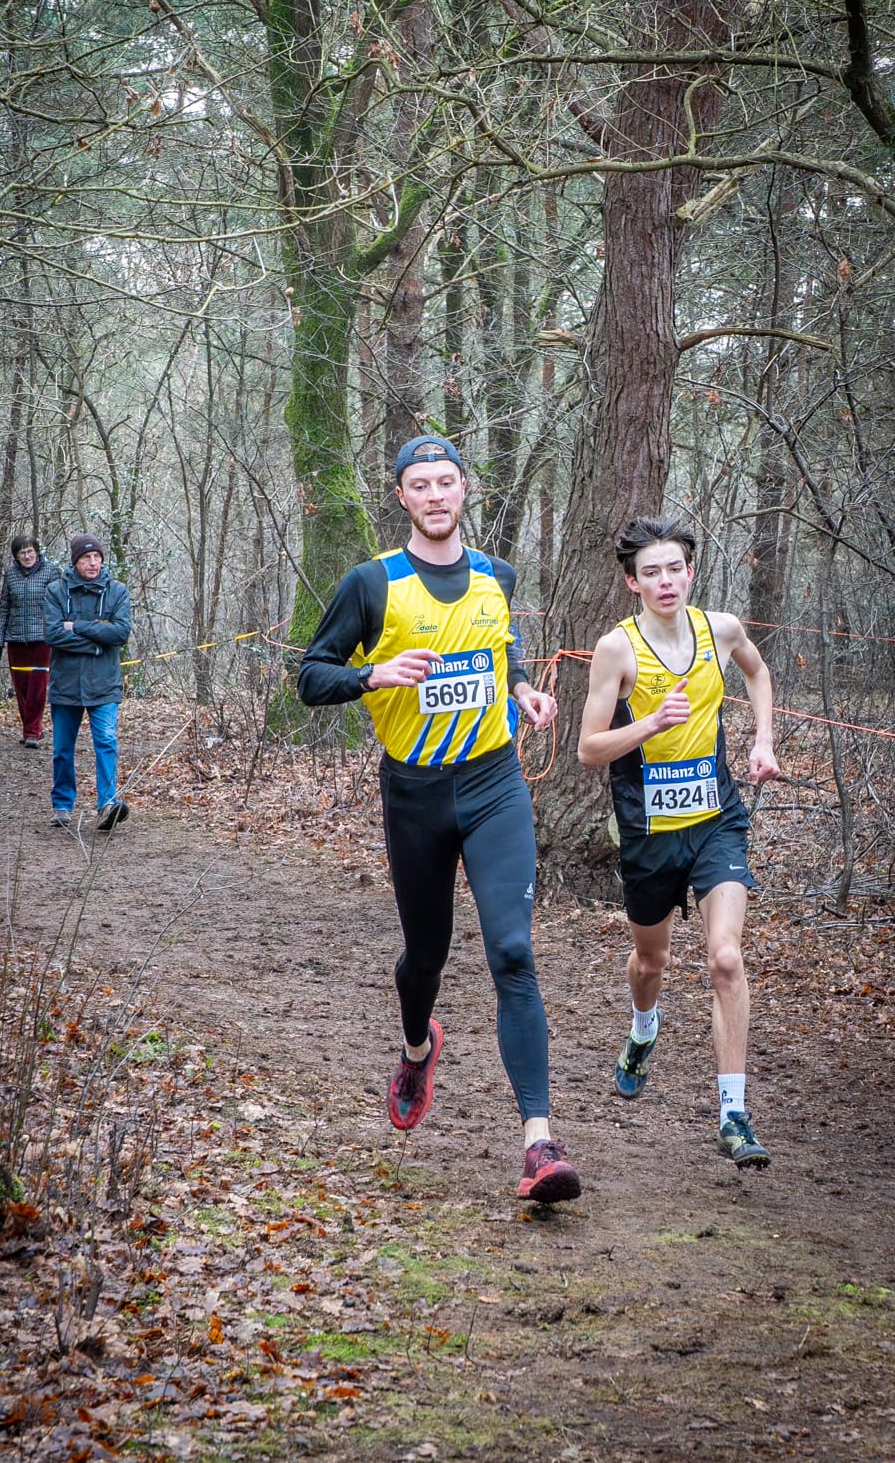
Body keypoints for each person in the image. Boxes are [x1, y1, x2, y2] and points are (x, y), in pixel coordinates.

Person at [298, 435, 581, 1205]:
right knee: (426, 957)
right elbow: (310, 678)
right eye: (419, 484)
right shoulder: (372, 584)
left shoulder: (498, 576)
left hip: (493, 783)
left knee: (513, 952)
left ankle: (539, 1143)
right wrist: (371, 674)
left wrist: (522, 690)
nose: (434, 495)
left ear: (464, 490)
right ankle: (418, 1046)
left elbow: (499, 651)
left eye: (445, 482)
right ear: (402, 496)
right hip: (415, 796)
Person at [577, 516, 780, 1168]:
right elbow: (589, 749)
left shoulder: (721, 630)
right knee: (651, 962)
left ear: (690, 573)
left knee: (726, 959)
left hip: (716, 819)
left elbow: (758, 672)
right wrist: (650, 724)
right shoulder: (618, 649)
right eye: (651, 572)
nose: (665, 581)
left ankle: (733, 1116)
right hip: (648, 831)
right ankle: (644, 1027)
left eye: (674, 568)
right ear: (632, 583)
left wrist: (763, 741)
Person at [43, 533, 132, 832]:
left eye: (97, 557)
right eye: (86, 558)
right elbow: (54, 634)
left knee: (106, 742)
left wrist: (78, 626)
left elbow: (119, 634)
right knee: (62, 749)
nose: (92, 563)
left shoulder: (117, 591)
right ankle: (62, 805)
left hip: (104, 684)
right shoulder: (56, 591)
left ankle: (108, 804)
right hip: (66, 684)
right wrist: (96, 642)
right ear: (75, 562)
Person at [0, 534, 61, 747]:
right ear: (16, 556)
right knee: (21, 687)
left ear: (37, 552)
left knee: (37, 687)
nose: (27, 556)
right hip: (16, 638)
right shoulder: (11, 574)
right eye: (22, 552)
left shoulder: (51, 572)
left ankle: (32, 732)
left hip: (43, 638)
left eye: (30, 551)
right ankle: (30, 727)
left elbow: (58, 605)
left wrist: (59, 635)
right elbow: (4, 607)